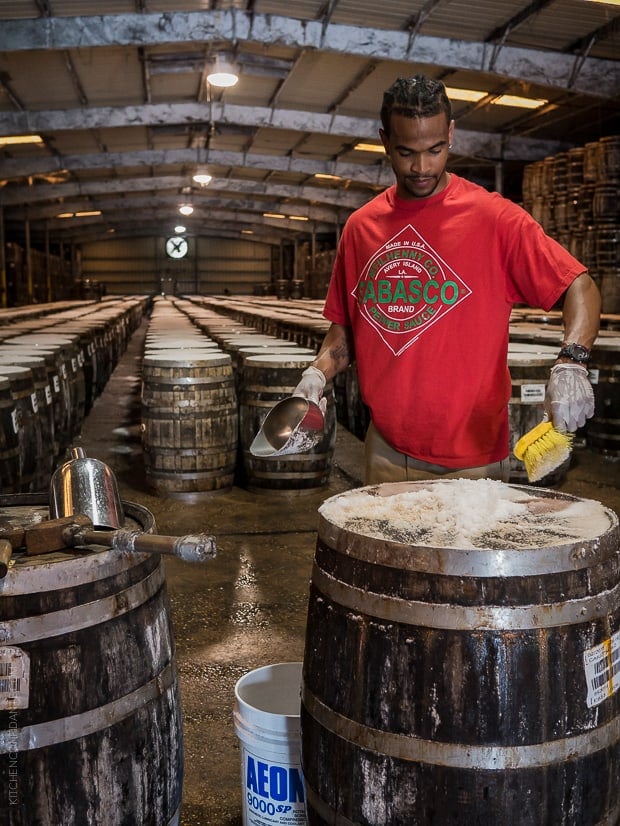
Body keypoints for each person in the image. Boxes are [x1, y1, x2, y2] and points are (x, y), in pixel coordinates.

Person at [293, 74, 600, 484]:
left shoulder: (495, 219)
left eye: (435, 149)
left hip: (472, 458)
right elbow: (349, 328)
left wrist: (572, 361)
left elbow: (579, 285)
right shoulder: (361, 228)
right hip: (385, 450)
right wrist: (317, 374)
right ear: (384, 139)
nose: (421, 167)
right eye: (405, 152)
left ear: (451, 133)